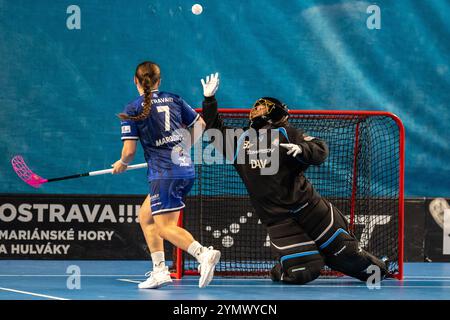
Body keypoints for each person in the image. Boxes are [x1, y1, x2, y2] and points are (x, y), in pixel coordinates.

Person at [200, 73, 388, 285]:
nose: (257, 109)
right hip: (278, 220)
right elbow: (214, 128)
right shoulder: (239, 140)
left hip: (310, 209)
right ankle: (286, 267)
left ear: (277, 114)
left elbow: (320, 150)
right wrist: (209, 100)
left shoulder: (287, 133)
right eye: (257, 106)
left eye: (264, 107)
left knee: (351, 257)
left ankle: (374, 266)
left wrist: (302, 149)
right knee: (304, 272)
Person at [112, 62, 221, 289]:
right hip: (184, 169)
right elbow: (200, 124)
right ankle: (160, 270)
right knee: (146, 216)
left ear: (135, 81)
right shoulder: (174, 99)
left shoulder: (132, 109)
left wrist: (122, 163)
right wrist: (182, 147)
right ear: (159, 81)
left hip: (164, 174)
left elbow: (129, 151)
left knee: (164, 227)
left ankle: (203, 254)